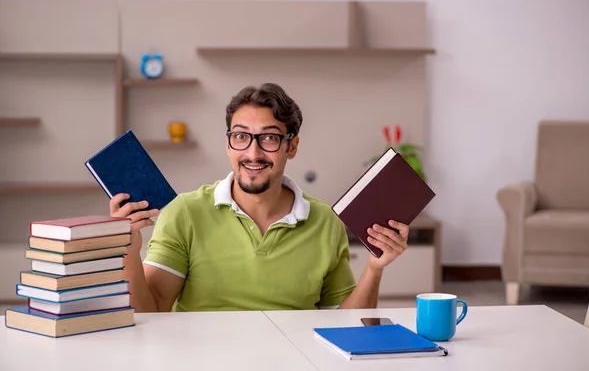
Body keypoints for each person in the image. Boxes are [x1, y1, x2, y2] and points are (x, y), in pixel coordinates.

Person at [109, 82, 409, 312]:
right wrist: (129, 251)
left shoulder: (325, 222)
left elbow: (345, 324)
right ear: (228, 144)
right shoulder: (183, 213)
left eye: (269, 138)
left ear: (291, 147)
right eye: (240, 137)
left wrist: (374, 269)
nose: (253, 154)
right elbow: (151, 310)